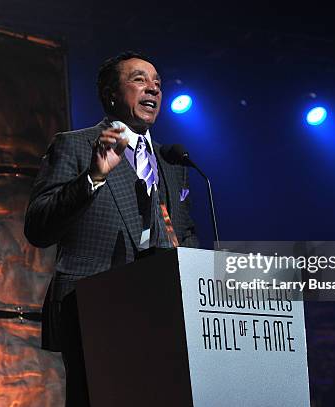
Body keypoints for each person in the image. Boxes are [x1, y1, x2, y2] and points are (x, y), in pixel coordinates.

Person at [24, 51, 198, 406]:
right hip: (93, 310)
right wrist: (93, 177)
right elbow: (38, 227)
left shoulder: (172, 161)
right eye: (139, 79)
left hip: (161, 313)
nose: (152, 88)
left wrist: (205, 277)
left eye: (157, 84)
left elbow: (184, 232)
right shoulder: (75, 145)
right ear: (111, 94)